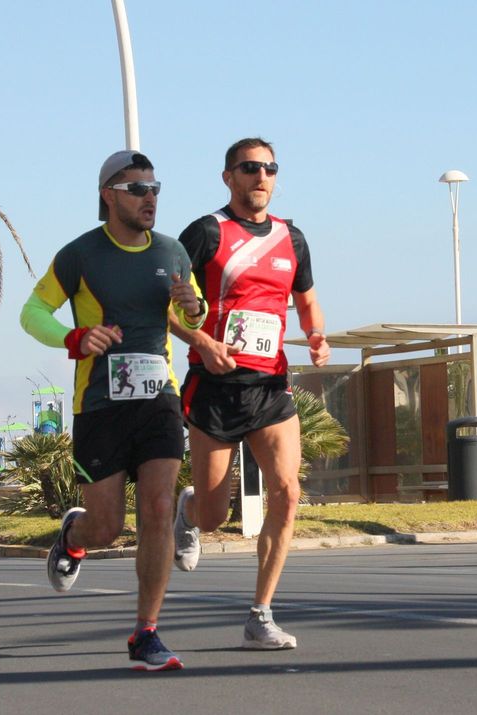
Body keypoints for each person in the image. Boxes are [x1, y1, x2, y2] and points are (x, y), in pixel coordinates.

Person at [19, 149, 207, 671]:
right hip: (100, 405)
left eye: (155, 188)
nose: (150, 198)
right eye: (137, 189)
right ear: (109, 195)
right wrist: (73, 337)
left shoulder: (172, 252)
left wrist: (195, 309)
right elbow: (32, 312)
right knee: (106, 527)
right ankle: (74, 536)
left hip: (159, 400)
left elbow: (191, 309)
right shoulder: (80, 254)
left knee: (159, 508)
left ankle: (147, 632)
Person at [171, 137, 330, 650]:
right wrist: (201, 341)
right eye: (249, 168)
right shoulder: (205, 232)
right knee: (215, 515)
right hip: (214, 389)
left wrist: (316, 334)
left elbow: (307, 301)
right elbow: (164, 304)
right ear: (229, 177)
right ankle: (190, 511)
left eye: (270, 168)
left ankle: (261, 614)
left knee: (288, 492)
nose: (261, 177)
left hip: (270, 387)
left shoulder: (292, 238)